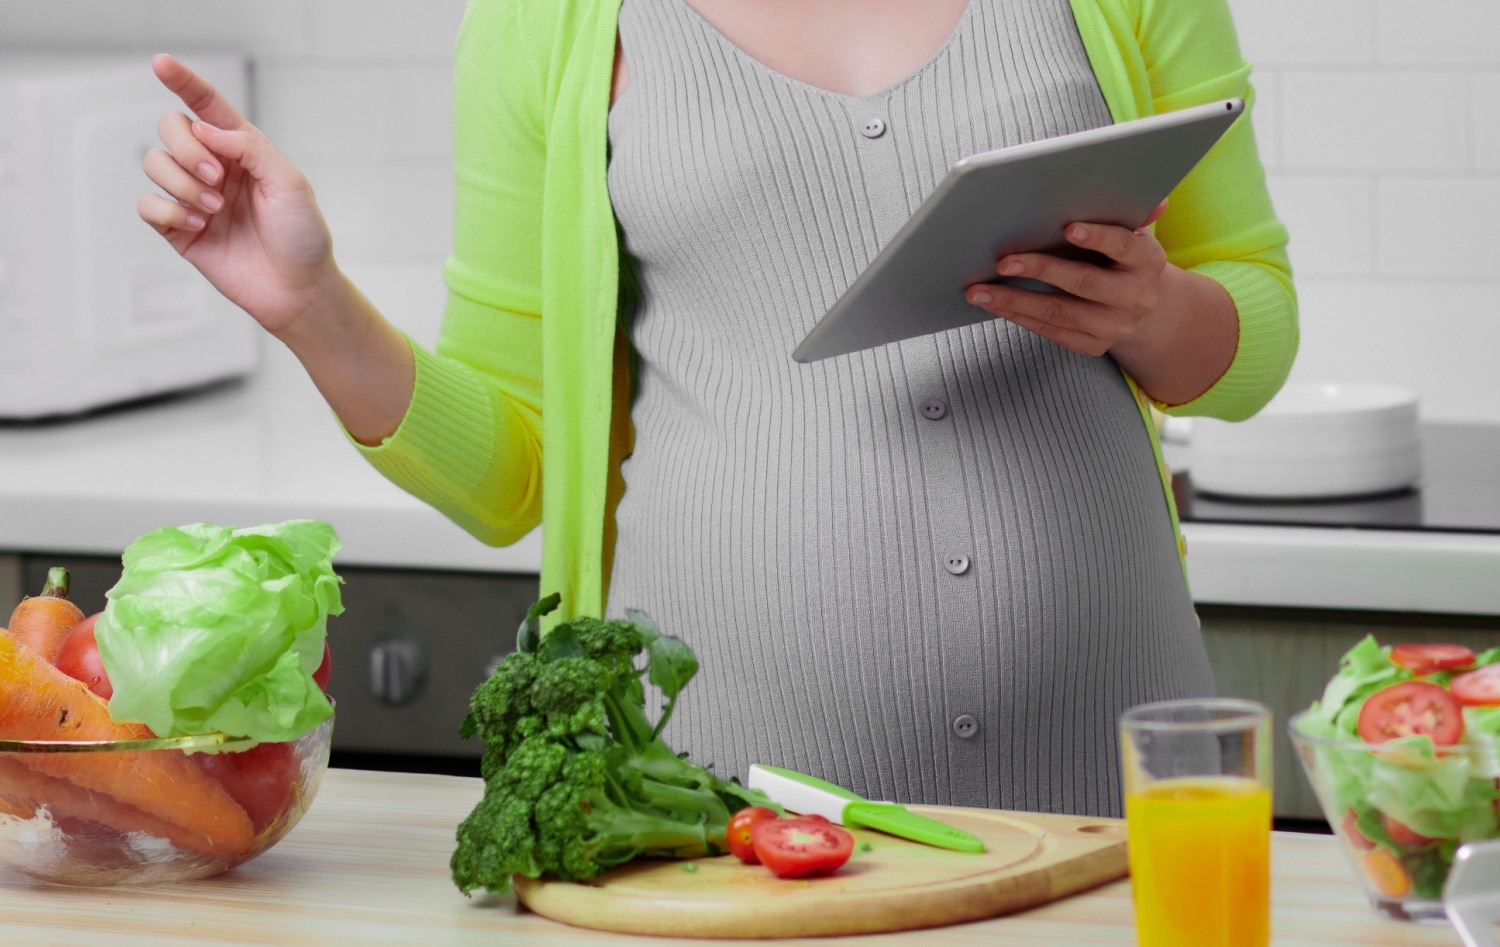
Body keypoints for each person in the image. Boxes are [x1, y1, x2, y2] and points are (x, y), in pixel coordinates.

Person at [138, 0, 1296, 818]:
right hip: (728, 792)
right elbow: (513, 475)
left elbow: (1257, 324)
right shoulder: (544, 22)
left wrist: (1153, 310)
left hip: (1117, 758)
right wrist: (310, 306)